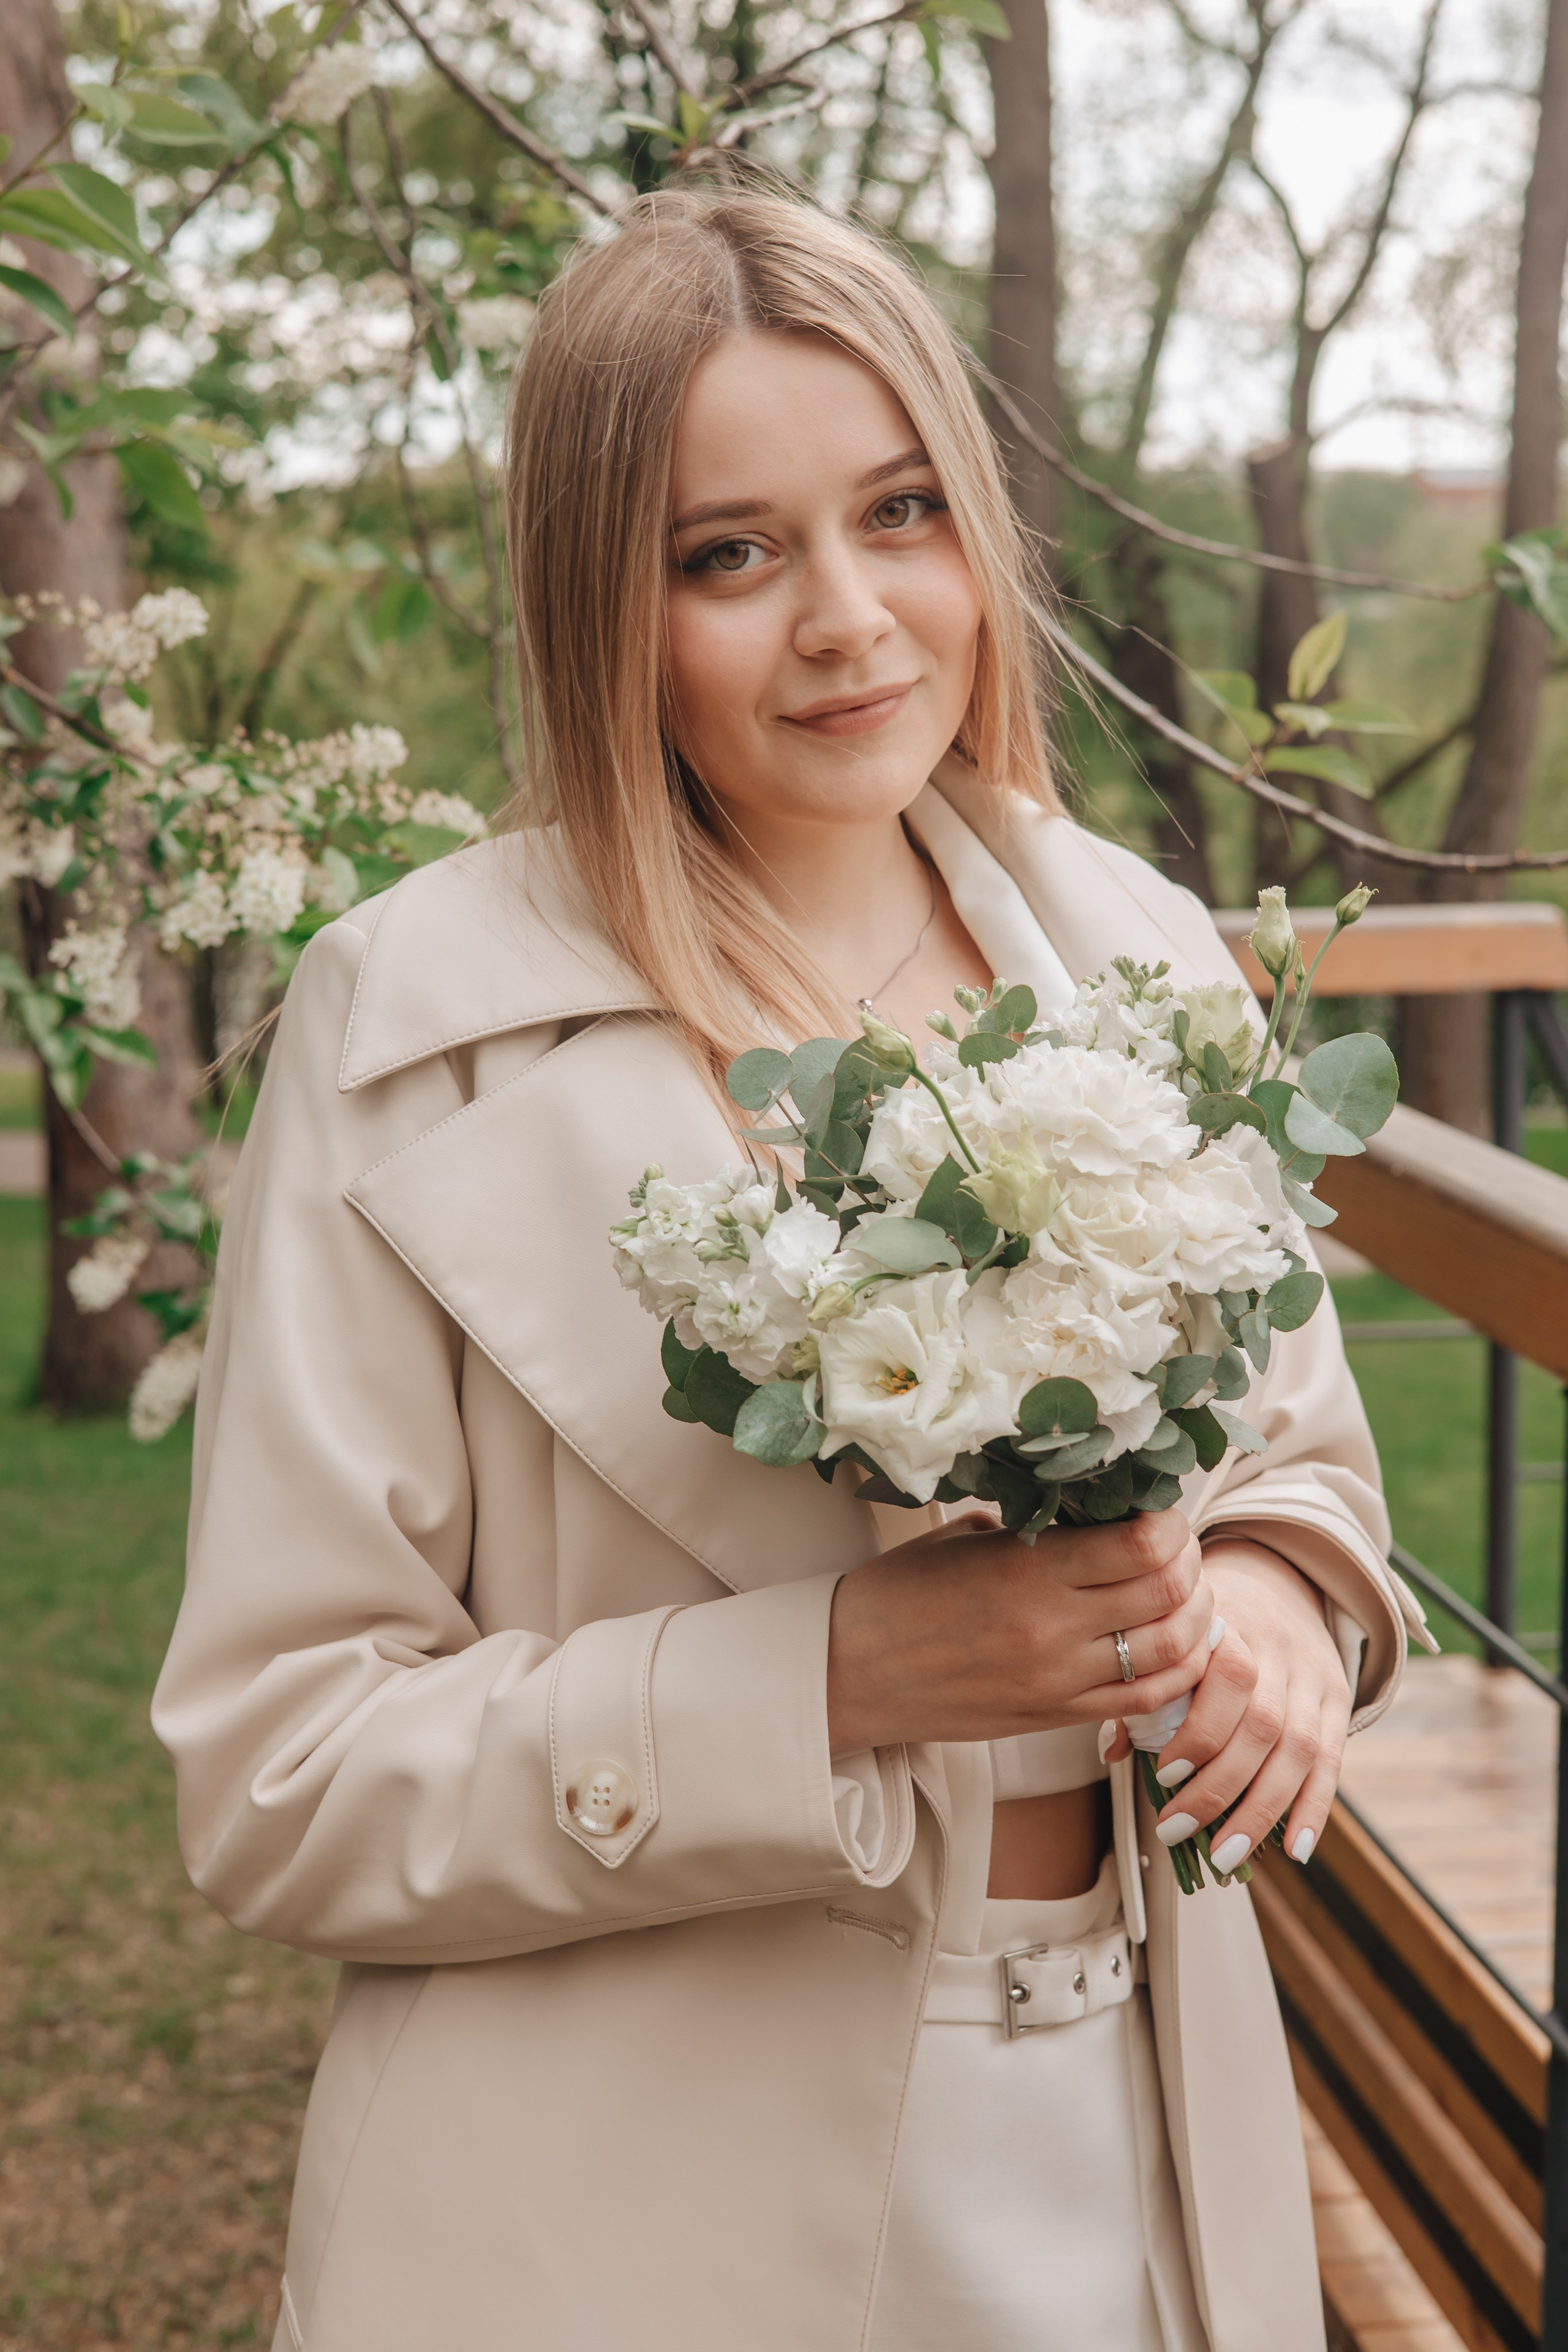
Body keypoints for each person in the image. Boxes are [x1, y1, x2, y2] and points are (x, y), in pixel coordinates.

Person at [154, 187, 1426, 2352]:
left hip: (1138, 2155)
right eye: (729, 554)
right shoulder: (407, 1033)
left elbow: (1302, 1462)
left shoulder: (1126, 940)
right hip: (612, 2221)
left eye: (902, 512)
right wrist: (829, 1678)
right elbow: (276, 1775)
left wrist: (1292, 1605)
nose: (848, 618)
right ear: (604, 608)